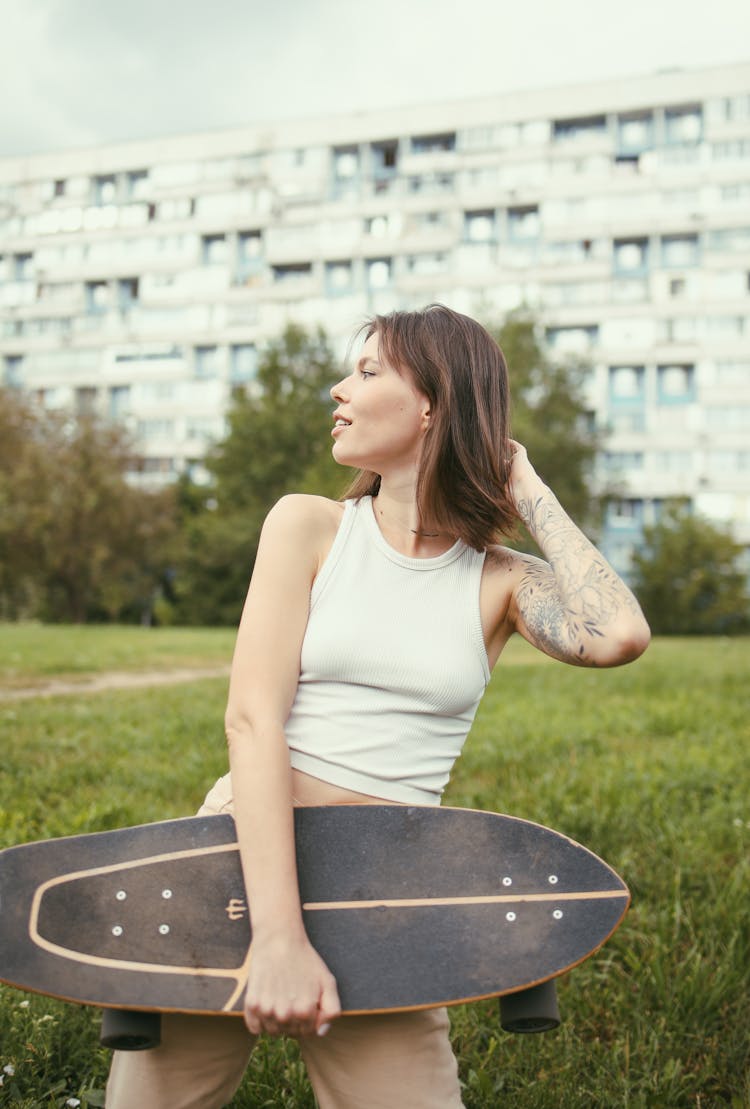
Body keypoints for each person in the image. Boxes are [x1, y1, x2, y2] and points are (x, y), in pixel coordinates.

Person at [106, 304, 650, 1108]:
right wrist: (278, 936)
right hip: (239, 864)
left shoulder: (497, 578)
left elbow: (619, 634)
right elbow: (251, 721)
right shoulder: (308, 526)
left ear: (433, 403)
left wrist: (524, 485)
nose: (339, 389)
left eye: (366, 373)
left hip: (391, 893)